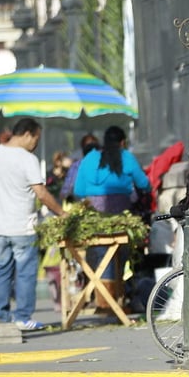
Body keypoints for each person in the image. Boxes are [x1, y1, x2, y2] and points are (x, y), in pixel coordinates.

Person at [73, 126, 151, 309]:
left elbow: (78, 191)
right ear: (123, 142)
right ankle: (114, 299)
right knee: (120, 254)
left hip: (94, 218)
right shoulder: (126, 157)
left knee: (98, 253)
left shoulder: (89, 158)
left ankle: (102, 299)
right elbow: (145, 184)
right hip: (121, 217)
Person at [0, 118, 64, 331]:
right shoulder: (28, 159)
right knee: (25, 274)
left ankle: (2, 317)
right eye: (36, 138)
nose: (35, 142)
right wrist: (62, 212)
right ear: (27, 134)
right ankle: (23, 317)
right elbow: (41, 194)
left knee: (2, 273)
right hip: (23, 228)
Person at [60, 133, 99, 202]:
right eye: (88, 147)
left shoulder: (104, 165)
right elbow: (67, 188)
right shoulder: (76, 166)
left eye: (93, 148)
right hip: (80, 203)